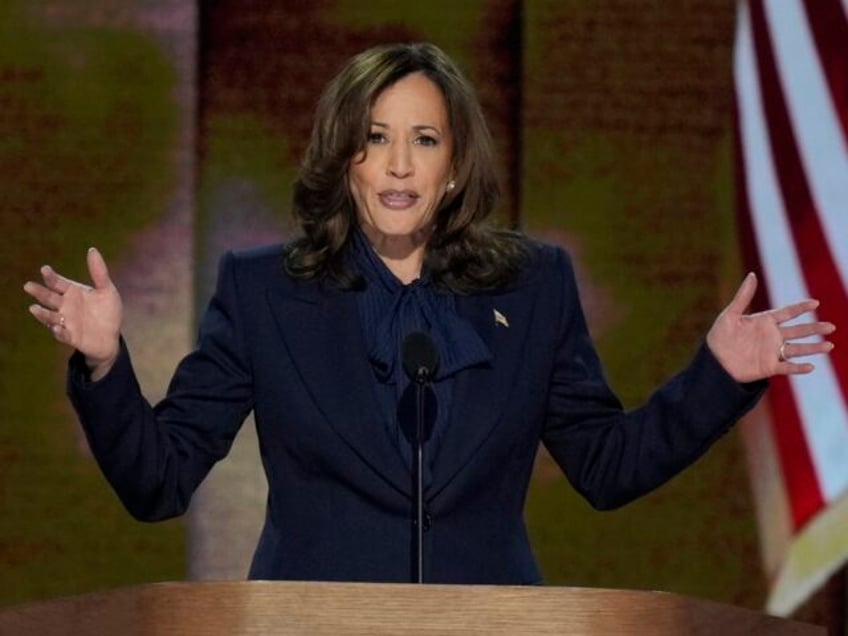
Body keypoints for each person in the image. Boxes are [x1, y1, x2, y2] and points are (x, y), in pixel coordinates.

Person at [23, 42, 835, 584]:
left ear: (454, 165)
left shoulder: (533, 284)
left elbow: (607, 466)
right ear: (346, 160)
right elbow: (158, 481)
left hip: (492, 626)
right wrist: (104, 364)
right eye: (375, 138)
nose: (400, 164)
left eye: (425, 139)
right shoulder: (263, 292)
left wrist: (719, 376)